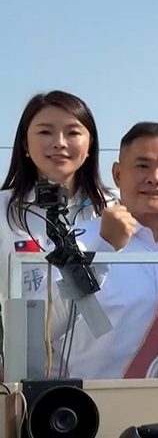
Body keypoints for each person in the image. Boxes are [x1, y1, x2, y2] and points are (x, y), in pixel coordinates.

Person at [48, 122, 158, 379]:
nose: (155, 178)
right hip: (97, 408)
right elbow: (48, 326)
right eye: (142, 166)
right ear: (118, 174)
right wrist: (106, 248)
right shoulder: (78, 241)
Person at [0, 91, 118, 379]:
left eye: (73, 132)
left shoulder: (115, 207)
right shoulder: (4, 209)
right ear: (25, 144)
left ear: (90, 144)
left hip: (105, 371)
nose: (60, 143)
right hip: (26, 376)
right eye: (45, 132)